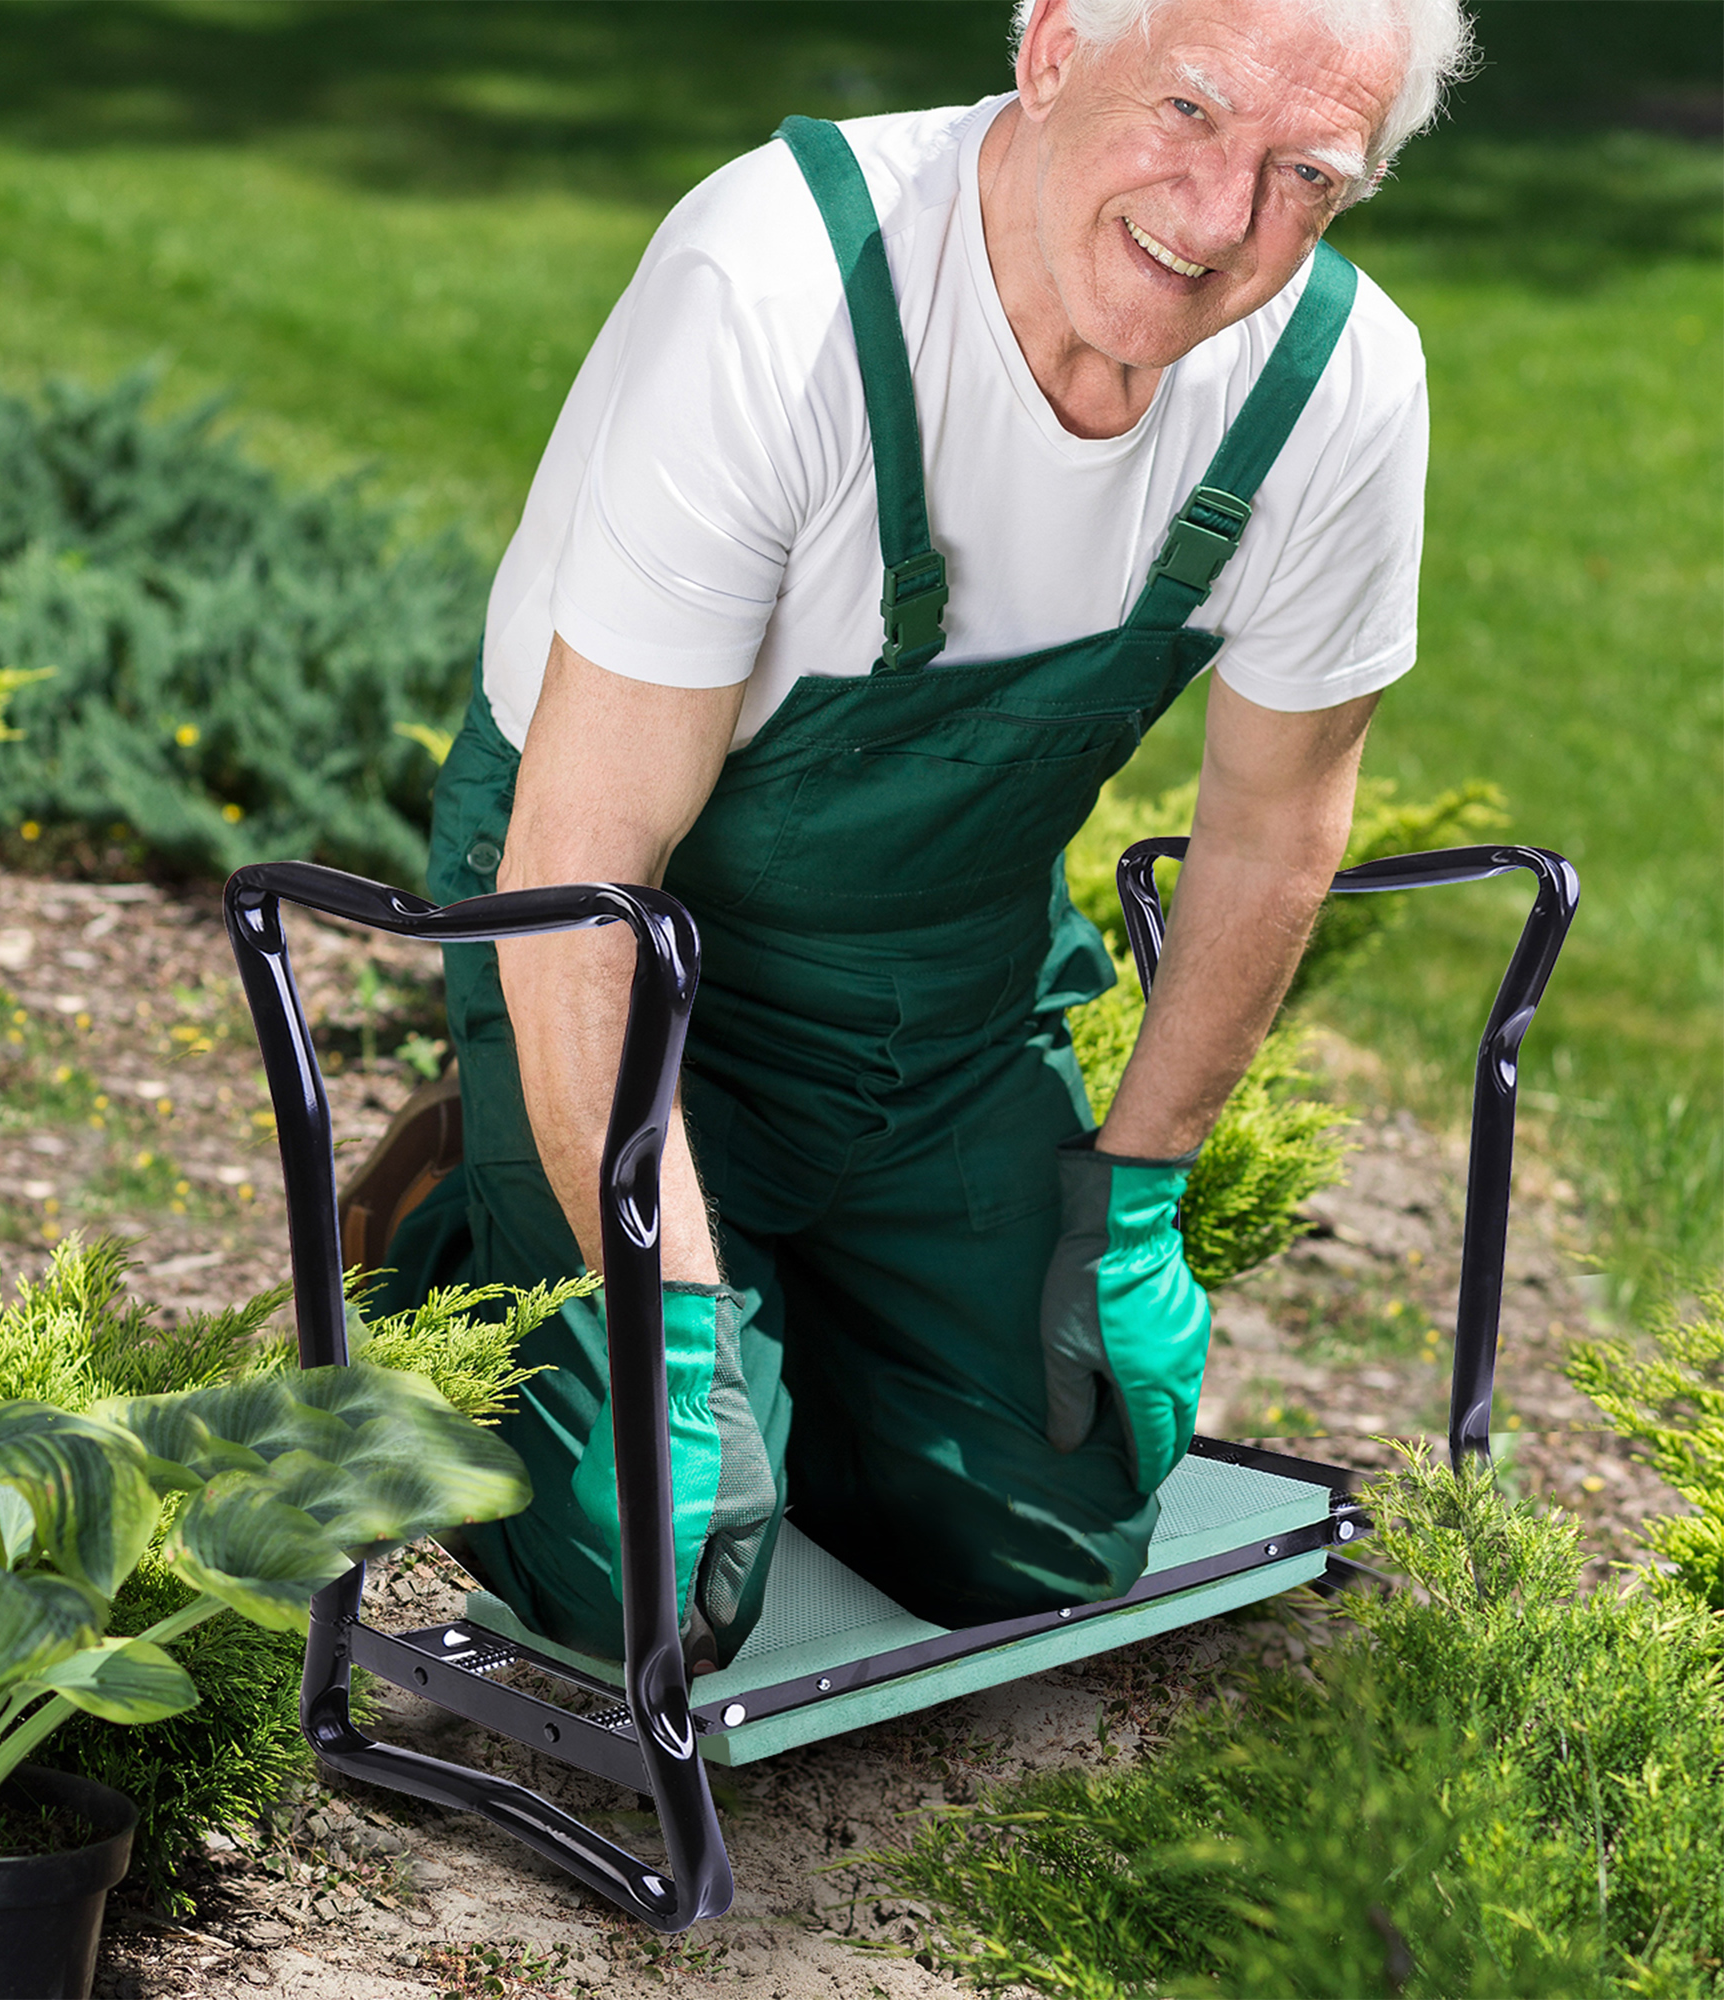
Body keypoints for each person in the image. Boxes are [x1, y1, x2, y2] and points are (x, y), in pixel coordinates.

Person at [357, 0, 1472, 1671]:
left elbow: (1273, 820)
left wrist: (1140, 1195)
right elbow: (584, 857)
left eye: (1304, 172)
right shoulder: (782, 287)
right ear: (1048, 47)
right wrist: (658, 1319)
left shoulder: (1340, 384)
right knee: (660, 1570)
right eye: (1186, 107)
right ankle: (451, 1210)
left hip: (943, 984)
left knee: (1054, 1531)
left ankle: (785, 1315)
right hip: (614, 950)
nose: (1221, 216)